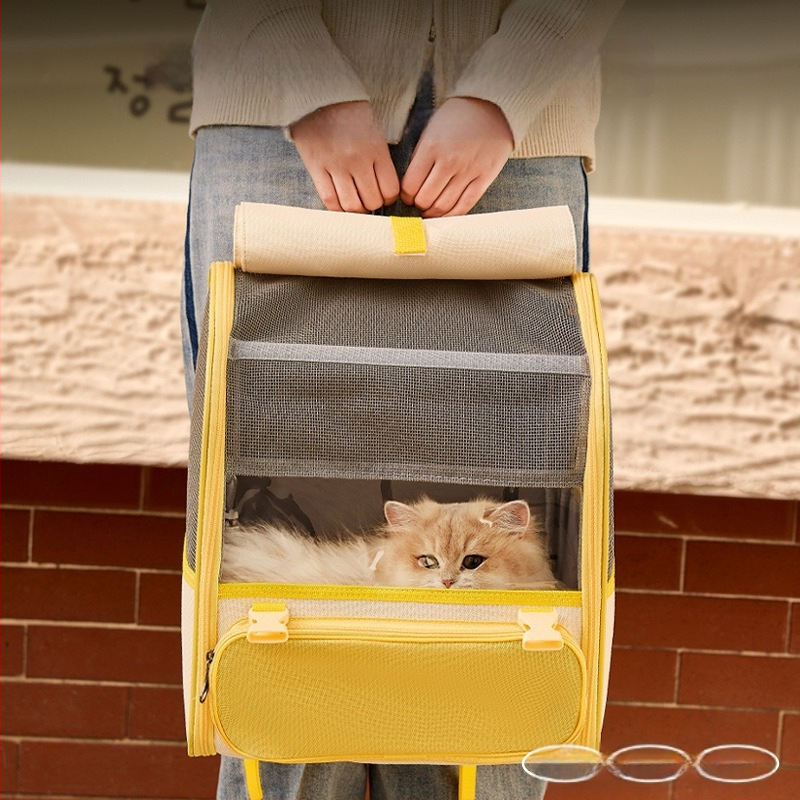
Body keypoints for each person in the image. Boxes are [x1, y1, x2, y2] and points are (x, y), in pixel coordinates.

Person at [181, 2, 624, 798]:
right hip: (274, 127)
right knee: (281, 587)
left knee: (498, 661)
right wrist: (303, 77)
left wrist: (507, 89)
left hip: (521, 136)